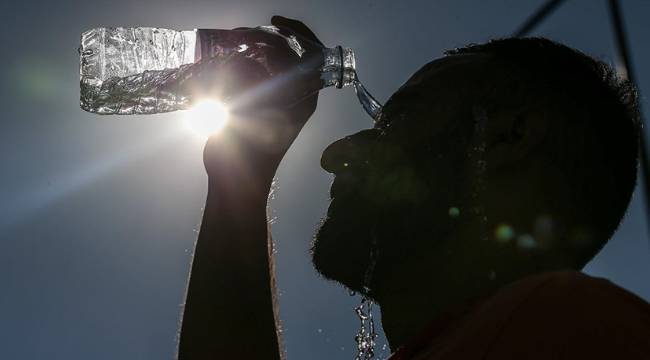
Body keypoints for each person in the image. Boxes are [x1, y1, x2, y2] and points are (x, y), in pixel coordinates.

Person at [176, 16, 650, 359]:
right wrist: (240, 178)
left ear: (510, 137)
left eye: (397, 120)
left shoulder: (575, 328)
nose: (334, 154)